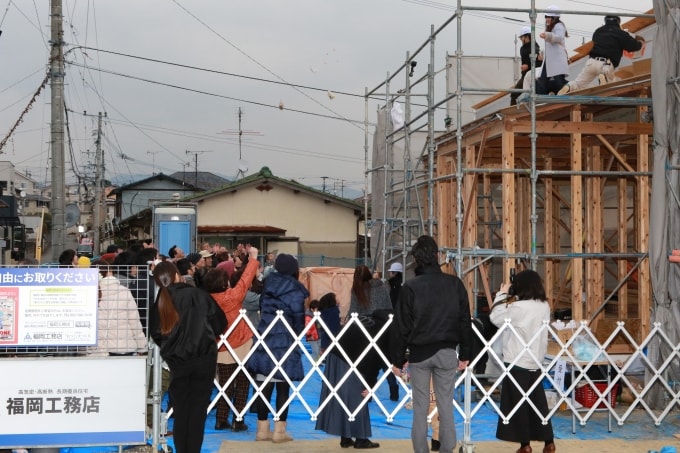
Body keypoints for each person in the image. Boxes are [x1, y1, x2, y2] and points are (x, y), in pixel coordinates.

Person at [390, 235, 473, 453]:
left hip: (419, 355)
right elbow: (465, 321)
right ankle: (447, 449)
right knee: (445, 405)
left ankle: (421, 450)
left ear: (416, 260)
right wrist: (465, 353)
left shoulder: (410, 287)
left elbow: (401, 326)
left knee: (420, 407)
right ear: (437, 256)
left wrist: (398, 359)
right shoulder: (455, 284)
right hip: (447, 352)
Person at [148, 261, 227, 453]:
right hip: (203, 359)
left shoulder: (160, 302)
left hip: (177, 362)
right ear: (176, 275)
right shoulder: (199, 295)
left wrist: (171, 348)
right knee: (197, 412)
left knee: (181, 411)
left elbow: (155, 334)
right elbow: (220, 323)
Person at [489, 269, 556, 453]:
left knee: (517, 404)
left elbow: (495, 318)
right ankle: (549, 441)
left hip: (517, 361)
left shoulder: (519, 308)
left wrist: (502, 293)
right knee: (538, 404)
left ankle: (525, 445)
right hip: (535, 361)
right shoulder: (544, 306)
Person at [247, 253, 309, 443]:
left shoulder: (268, 284)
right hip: (285, 341)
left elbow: (261, 306)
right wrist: (298, 333)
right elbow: (299, 317)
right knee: (283, 387)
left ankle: (261, 431)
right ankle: (279, 432)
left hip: (265, 336)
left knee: (263, 385)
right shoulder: (295, 290)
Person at [203, 245, 260, 432]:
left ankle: (220, 420)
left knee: (224, 386)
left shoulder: (205, 301)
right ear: (224, 283)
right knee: (243, 383)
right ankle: (238, 420)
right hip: (242, 344)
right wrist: (253, 259)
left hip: (220, 347)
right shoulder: (232, 297)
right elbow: (245, 280)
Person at [314, 292, 380, 449]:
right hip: (349, 356)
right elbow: (374, 360)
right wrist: (369, 385)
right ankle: (361, 438)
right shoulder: (380, 328)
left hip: (337, 353)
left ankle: (345, 436)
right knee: (357, 394)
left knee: (342, 396)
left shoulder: (365, 320)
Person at [558, 14, 645, 95]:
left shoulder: (598, 31)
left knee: (579, 84)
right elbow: (633, 46)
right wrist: (640, 43)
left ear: (606, 20)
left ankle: (569, 87)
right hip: (605, 65)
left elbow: (601, 39)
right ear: (618, 21)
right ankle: (603, 76)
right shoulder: (620, 33)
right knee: (609, 89)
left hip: (591, 62)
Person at [91, 265, 147, 356]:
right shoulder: (124, 291)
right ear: (110, 272)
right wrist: (141, 345)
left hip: (97, 347)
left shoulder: (89, 292)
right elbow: (134, 321)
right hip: (123, 346)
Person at [536, 5, 569, 95]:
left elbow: (559, 37)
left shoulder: (559, 26)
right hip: (550, 61)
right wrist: (542, 53)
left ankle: (572, 89)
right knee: (541, 82)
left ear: (554, 17)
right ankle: (541, 102)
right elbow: (549, 46)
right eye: (546, 17)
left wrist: (548, 35)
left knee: (559, 83)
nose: (547, 19)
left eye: (548, 17)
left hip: (556, 60)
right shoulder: (551, 27)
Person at [386, 262, 405, 401]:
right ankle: (394, 391)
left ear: (395, 273)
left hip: (391, 325)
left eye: (391, 272)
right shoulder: (399, 288)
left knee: (386, 359)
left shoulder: (394, 289)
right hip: (397, 325)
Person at [511, 25, 543, 105]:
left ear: (527, 36)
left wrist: (528, 66)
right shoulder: (523, 48)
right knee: (516, 93)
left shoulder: (535, 48)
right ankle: (515, 111)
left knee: (516, 93)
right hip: (525, 75)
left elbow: (539, 64)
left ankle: (514, 113)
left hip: (533, 76)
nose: (521, 39)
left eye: (522, 37)